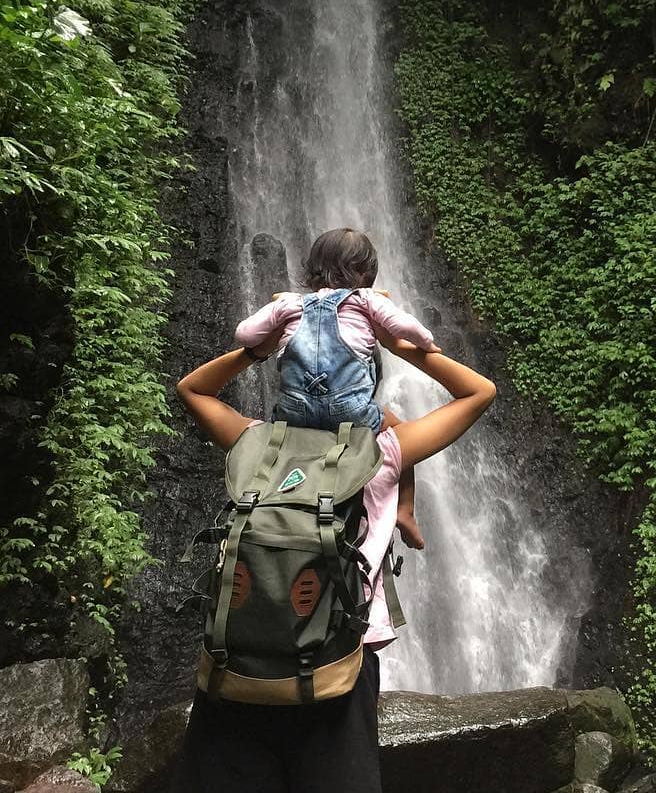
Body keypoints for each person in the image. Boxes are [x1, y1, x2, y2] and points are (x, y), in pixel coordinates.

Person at [170, 325, 496, 793]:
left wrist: (256, 349)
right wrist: (398, 344)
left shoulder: (254, 444)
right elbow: (479, 392)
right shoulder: (383, 452)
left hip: (237, 668)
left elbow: (191, 389)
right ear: (365, 385)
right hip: (337, 672)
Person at [234, 227, 438, 550]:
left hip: (293, 418)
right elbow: (404, 327)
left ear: (312, 270)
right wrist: (427, 343)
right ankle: (405, 512)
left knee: (279, 422)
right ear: (366, 274)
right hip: (352, 414)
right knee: (400, 437)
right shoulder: (366, 301)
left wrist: (269, 336)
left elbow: (244, 334)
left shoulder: (291, 305)